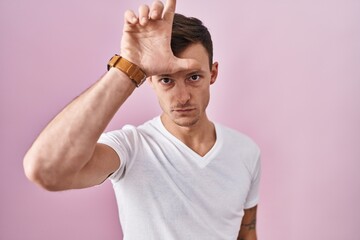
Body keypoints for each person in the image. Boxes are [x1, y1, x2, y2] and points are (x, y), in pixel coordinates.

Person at [23, 0, 261, 239]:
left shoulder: (246, 152)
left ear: (213, 73)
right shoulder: (131, 147)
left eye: (194, 77)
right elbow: (46, 170)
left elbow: (247, 234)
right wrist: (130, 67)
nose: (182, 97)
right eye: (166, 80)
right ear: (150, 80)